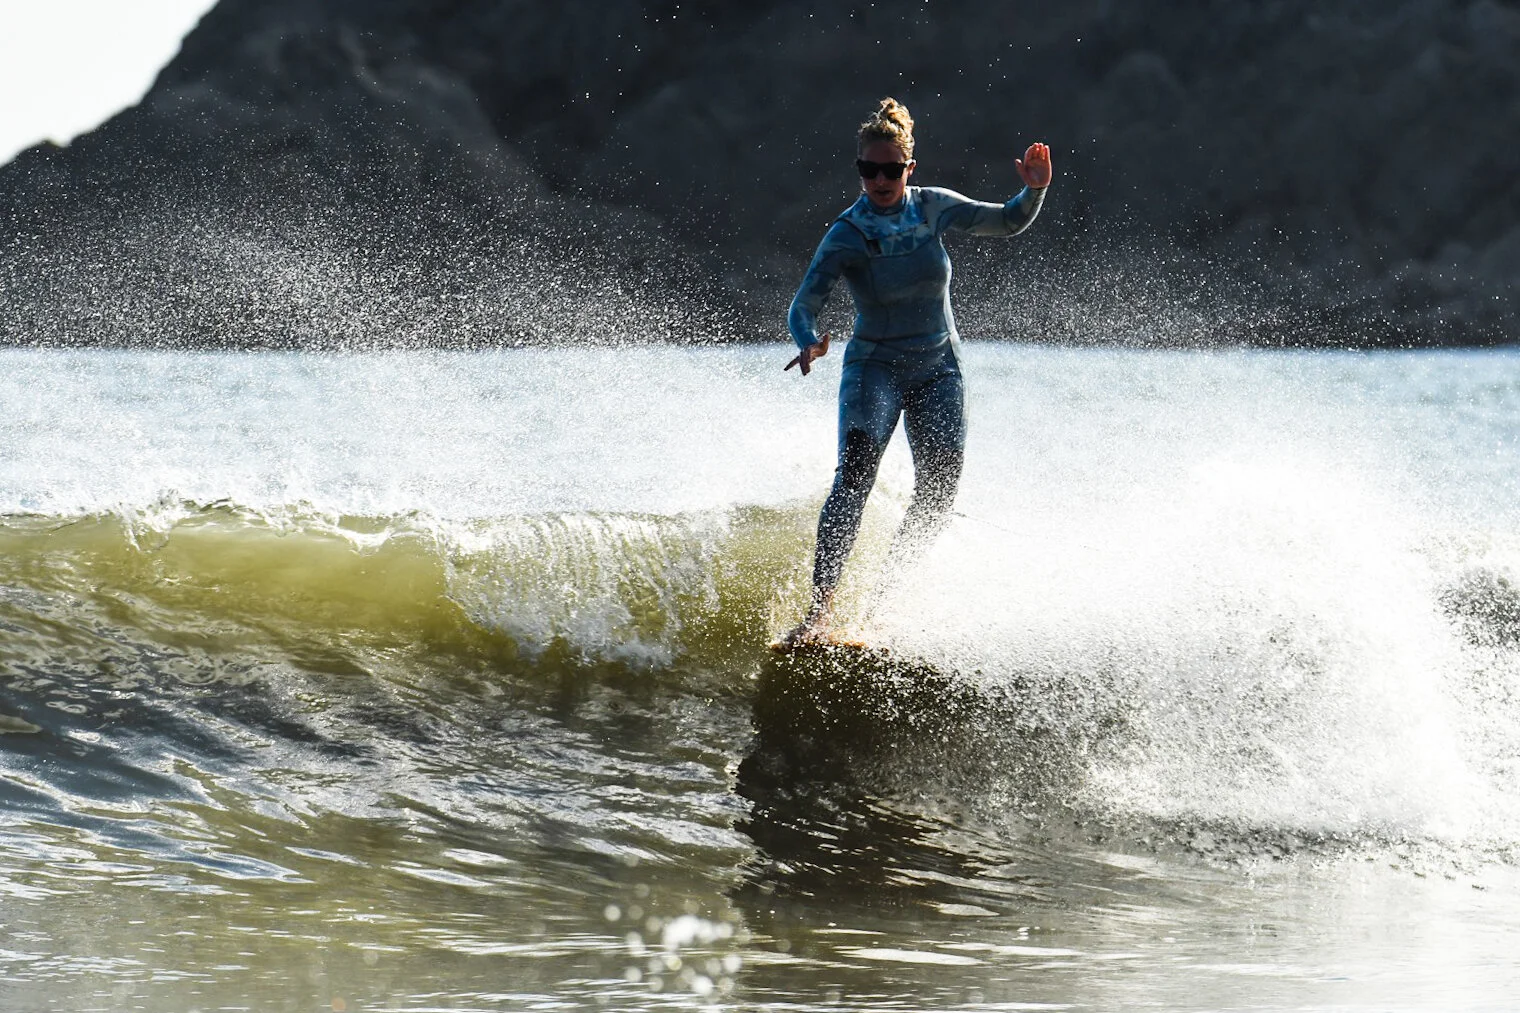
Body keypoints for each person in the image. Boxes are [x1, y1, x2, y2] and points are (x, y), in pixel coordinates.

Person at [782, 96, 1052, 645]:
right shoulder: (847, 233)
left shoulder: (933, 208)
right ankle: (820, 613)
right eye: (869, 170)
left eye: (890, 170)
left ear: (910, 167)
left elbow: (1007, 220)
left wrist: (1035, 189)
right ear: (860, 170)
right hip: (874, 368)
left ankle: (882, 606)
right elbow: (803, 305)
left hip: (938, 367)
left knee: (940, 486)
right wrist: (809, 343)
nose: (879, 180)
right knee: (855, 475)